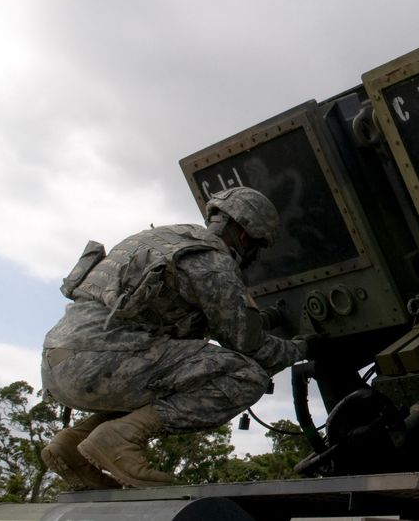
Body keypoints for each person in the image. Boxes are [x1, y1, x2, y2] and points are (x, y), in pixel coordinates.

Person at [40, 187, 307, 489]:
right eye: (257, 247)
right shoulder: (213, 261)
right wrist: (300, 348)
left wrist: (264, 319)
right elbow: (247, 343)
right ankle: (120, 438)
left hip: (60, 361)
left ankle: (72, 443)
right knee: (245, 375)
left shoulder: (165, 239)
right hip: (103, 362)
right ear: (246, 237)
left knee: (167, 377)